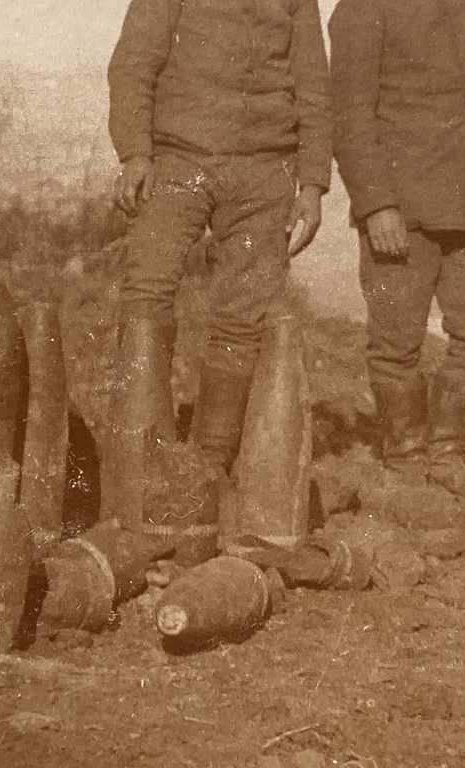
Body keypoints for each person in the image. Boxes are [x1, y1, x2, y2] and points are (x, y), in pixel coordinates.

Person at [105, 0, 332, 554]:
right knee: (147, 293)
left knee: (242, 317)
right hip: (180, 160)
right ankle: (141, 458)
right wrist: (135, 153)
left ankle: (210, 466)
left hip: (264, 171)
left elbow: (313, 85)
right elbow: (134, 61)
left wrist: (312, 184)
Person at [328, 0, 465, 496]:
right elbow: (349, 115)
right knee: (395, 343)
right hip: (400, 209)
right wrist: (376, 204)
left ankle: (447, 450)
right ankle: (406, 457)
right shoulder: (363, 8)